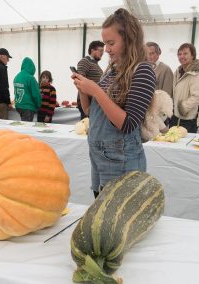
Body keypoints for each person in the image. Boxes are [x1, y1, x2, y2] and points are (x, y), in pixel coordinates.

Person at [72, 8, 156, 198]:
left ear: (129, 40)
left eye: (111, 43)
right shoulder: (111, 72)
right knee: (103, 216)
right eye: (104, 43)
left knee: (117, 221)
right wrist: (83, 90)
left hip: (122, 162)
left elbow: (127, 124)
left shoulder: (143, 71)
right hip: (100, 158)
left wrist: (95, 90)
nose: (106, 49)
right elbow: (90, 113)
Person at [169, 43, 199, 133]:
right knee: (171, 144)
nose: (182, 56)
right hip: (175, 117)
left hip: (188, 119)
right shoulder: (178, 71)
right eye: (179, 54)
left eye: (185, 53)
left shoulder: (196, 73)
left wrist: (183, 107)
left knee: (183, 146)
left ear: (192, 55)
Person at [76, 40, 105, 120]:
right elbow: (80, 81)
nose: (102, 53)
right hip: (87, 102)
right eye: (100, 50)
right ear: (92, 50)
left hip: (93, 101)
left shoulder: (94, 63)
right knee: (87, 127)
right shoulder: (85, 61)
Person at [13, 57, 41, 121]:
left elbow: (15, 92)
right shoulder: (30, 78)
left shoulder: (17, 76)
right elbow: (36, 94)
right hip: (28, 107)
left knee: (23, 124)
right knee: (26, 128)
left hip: (18, 105)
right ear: (32, 67)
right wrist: (38, 105)